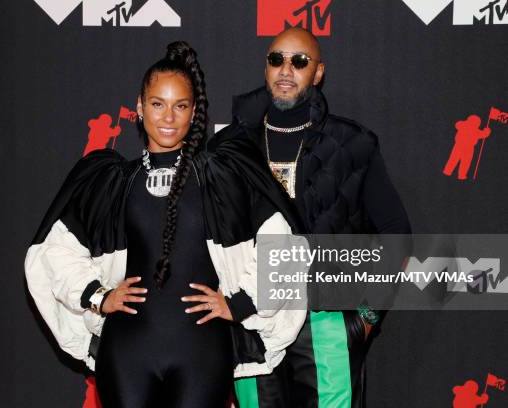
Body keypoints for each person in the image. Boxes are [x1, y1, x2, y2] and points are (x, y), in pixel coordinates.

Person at [24, 41, 308, 408]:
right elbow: (52, 253)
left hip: (202, 354)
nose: (169, 117)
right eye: (158, 104)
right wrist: (98, 296)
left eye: (181, 106)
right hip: (125, 352)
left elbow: (284, 243)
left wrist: (239, 304)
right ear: (140, 109)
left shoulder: (223, 178)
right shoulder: (111, 182)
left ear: (194, 114)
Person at [212, 28, 412, 407]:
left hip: (325, 321)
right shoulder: (229, 148)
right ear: (266, 67)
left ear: (318, 72)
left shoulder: (351, 144)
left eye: (299, 61)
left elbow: (395, 232)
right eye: (276, 59)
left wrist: (367, 316)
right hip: (253, 323)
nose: (286, 70)